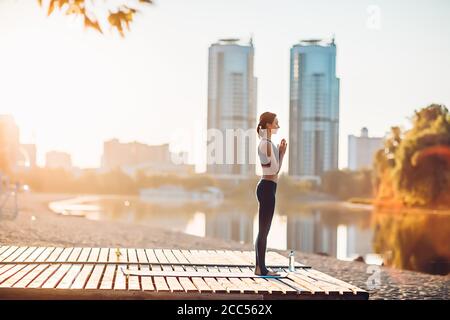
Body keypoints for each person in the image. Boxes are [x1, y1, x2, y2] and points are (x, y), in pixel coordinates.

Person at [254, 111, 287, 276]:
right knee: (264, 231)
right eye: (276, 122)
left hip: (266, 187)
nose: (278, 126)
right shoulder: (266, 143)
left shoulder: (265, 142)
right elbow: (275, 170)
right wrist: (282, 153)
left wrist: (279, 152)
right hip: (267, 188)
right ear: (268, 125)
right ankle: (263, 269)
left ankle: (259, 267)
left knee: (262, 230)